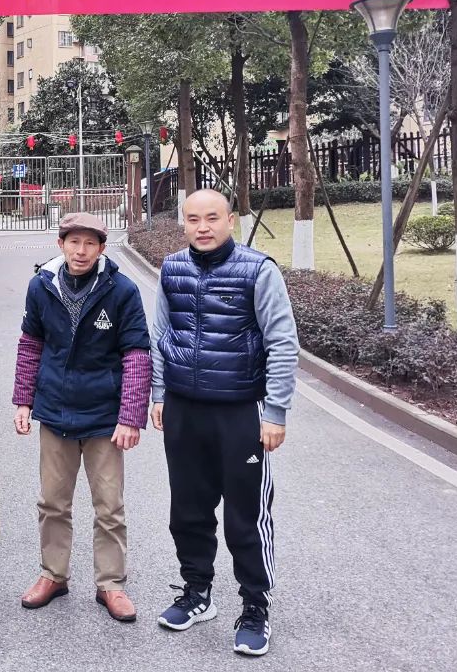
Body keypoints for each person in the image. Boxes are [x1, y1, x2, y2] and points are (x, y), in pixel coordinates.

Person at [150, 189, 299, 657]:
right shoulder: (172, 268)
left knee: (244, 517)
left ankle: (255, 607)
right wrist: (159, 394)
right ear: (184, 223)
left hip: (239, 412)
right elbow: (161, 335)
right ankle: (197, 593)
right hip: (184, 409)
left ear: (230, 220)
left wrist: (275, 412)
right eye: (193, 219)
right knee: (188, 511)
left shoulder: (258, 270)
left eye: (212, 217)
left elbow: (282, 342)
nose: (203, 227)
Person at [12, 212, 152, 622]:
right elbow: (30, 345)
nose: (81, 250)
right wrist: (23, 401)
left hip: (104, 416)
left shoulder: (121, 291)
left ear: (102, 248)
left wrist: (130, 415)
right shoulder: (42, 286)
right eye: (74, 242)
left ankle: (111, 584)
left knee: (109, 506)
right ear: (61, 244)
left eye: (90, 243)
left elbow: (137, 354)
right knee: (52, 502)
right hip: (55, 411)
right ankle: (53, 575)